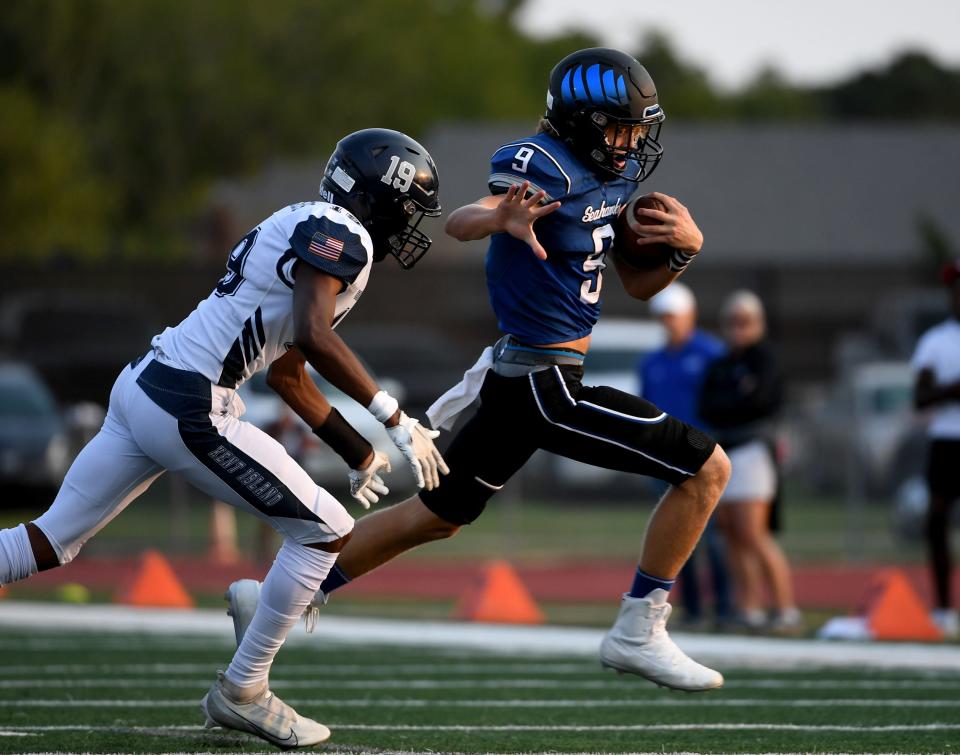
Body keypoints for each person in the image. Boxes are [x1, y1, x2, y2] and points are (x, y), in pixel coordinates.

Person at [229, 47, 730, 692]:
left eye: (638, 129)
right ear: (580, 122)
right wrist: (503, 216)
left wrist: (683, 253)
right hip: (543, 383)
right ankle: (639, 628)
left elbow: (636, 285)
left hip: (522, 382)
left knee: (436, 514)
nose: (632, 142)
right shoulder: (539, 165)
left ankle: (271, 596)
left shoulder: (611, 178)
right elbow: (463, 223)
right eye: (620, 128)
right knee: (707, 467)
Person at [0, 128, 449, 748]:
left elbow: (288, 372)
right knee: (327, 530)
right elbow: (315, 337)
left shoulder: (307, 220)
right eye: (410, 206)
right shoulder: (342, 232)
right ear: (384, 196)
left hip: (146, 384)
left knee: (48, 543)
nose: (411, 223)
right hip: (190, 401)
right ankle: (243, 689)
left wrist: (359, 449)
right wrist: (394, 418)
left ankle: (252, 631)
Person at [699, 290, 800, 634]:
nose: (737, 328)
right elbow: (708, 405)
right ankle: (748, 607)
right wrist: (736, 400)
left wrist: (735, 402)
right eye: (732, 321)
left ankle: (786, 609)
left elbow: (760, 402)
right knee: (731, 534)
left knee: (753, 533)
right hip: (725, 451)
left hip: (753, 450)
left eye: (744, 321)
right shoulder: (721, 363)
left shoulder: (765, 359)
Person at [641, 282, 731, 629]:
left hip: (705, 458)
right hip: (663, 458)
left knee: (714, 538)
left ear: (689, 315)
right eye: (663, 317)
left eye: (673, 316)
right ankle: (692, 609)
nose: (668, 323)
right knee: (676, 535)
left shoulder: (712, 355)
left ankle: (724, 607)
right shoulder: (653, 362)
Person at [911, 259, 960, 639]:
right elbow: (921, 397)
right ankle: (944, 608)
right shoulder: (936, 340)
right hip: (946, 439)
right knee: (937, 521)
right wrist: (952, 389)